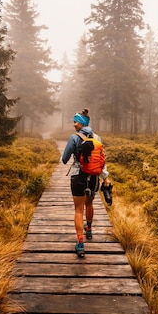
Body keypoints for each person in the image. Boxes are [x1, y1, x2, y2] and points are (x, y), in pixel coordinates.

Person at [61, 108, 111, 258]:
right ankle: (88, 229)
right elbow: (101, 160)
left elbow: (64, 159)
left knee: (78, 210)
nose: (73, 124)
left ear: (81, 123)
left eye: (75, 121)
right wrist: (106, 178)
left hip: (78, 176)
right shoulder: (97, 138)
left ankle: (81, 243)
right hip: (94, 177)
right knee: (89, 204)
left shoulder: (74, 138)